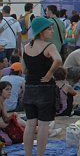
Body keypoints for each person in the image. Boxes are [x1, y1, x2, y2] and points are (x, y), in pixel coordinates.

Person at [22, 17, 62, 156]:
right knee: (43, 124)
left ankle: (27, 154)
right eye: (49, 29)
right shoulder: (49, 46)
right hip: (45, 88)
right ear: (41, 32)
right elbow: (58, 60)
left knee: (30, 124)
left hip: (30, 86)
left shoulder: (26, 47)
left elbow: (23, 68)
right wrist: (50, 73)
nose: (52, 31)